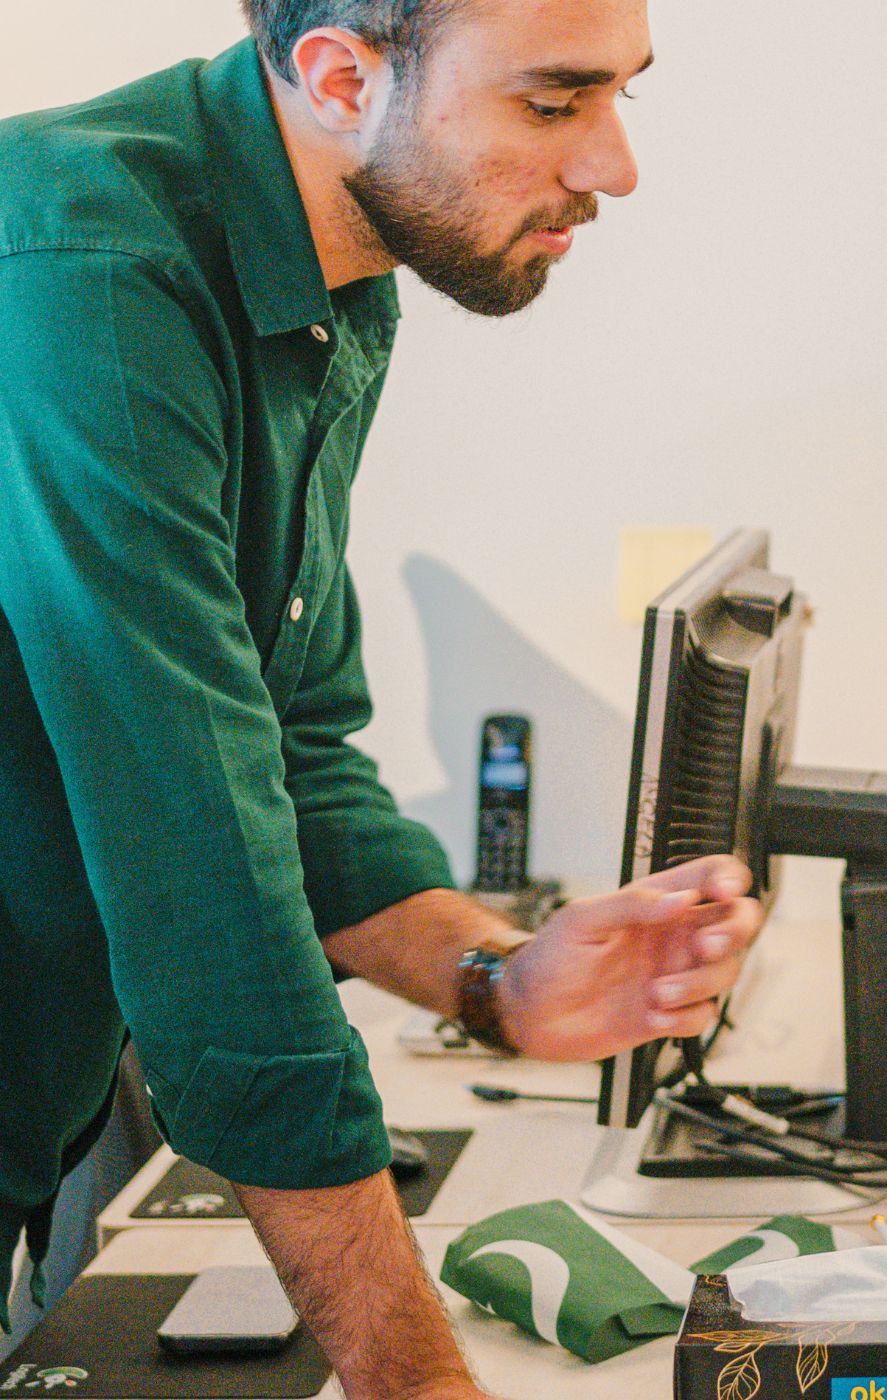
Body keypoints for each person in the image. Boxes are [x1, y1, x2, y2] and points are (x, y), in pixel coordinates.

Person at [0, 3, 710, 1396]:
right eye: (552, 105)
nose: (614, 166)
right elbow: (201, 868)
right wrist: (417, 1378)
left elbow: (293, 751)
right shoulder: (89, 274)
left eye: (621, 96)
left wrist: (500, 981)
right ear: (339, 79)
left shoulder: (332, 273)